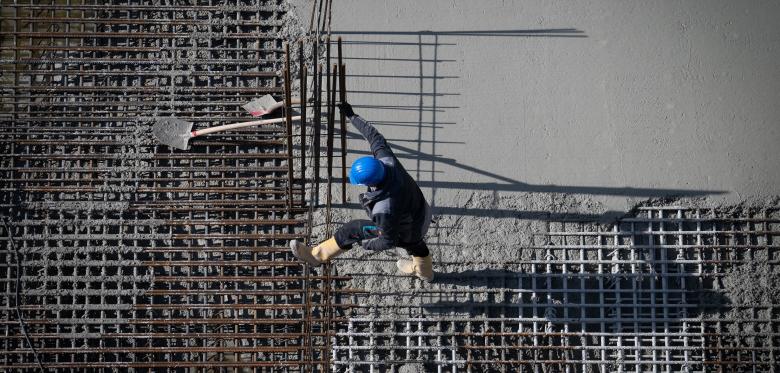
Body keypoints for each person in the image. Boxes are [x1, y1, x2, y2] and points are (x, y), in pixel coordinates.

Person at [289, 102, 434, 281]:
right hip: (422, 212)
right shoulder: (387, 160)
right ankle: (426, 273)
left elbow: (387, 240)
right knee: (416, 245)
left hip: (407, 228)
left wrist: (367, 244)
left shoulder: (384, 207)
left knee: (353, 229)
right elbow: (374, 137)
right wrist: (352, 116)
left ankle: (316, 255)